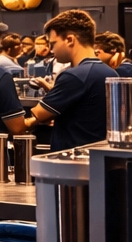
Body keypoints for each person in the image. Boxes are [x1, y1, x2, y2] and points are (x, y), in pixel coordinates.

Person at [26, 10, 113, 150]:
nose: (51, 50)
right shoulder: (110, 72)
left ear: (70, 40)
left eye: (53, 44)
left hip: (72, 156)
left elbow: (39, 113)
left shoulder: (74, 76)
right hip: (97, 153)